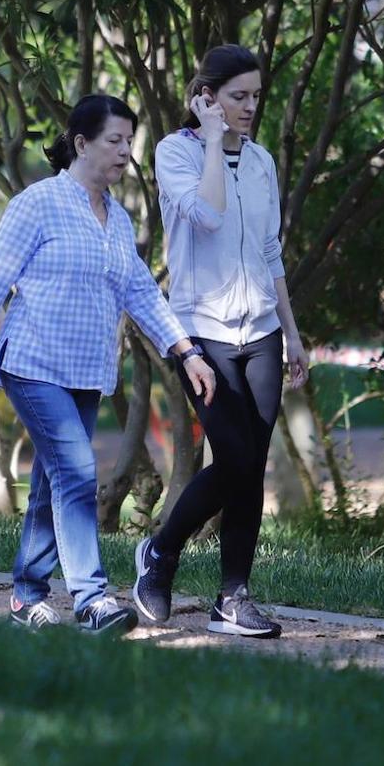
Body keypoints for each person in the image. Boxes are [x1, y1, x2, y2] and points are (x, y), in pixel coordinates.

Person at [0, 94, 216, 636]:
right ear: (81, 143)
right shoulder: (37, 204)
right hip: (34, 361)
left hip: (86, 371)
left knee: (52, 482)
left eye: (128, 144)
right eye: (114, 141)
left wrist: (187, 352)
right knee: (77, 472)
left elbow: (141, 292)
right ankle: (91, 598)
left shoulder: (116, 219)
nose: (123, 154)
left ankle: (26, 596)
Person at [131, 44, 309, 639]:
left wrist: (292, 332)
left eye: (256, 96)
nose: (250, 107)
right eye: (238, 97)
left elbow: (268, 250)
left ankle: (233, 598)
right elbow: (205, 218)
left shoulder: (261, 163)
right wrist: (211, 141)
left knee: (249, 467)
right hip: (199, 330)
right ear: (205, 99)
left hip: (261, 331)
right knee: (233, 458)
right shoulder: (174, 154)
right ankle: (160, 555)